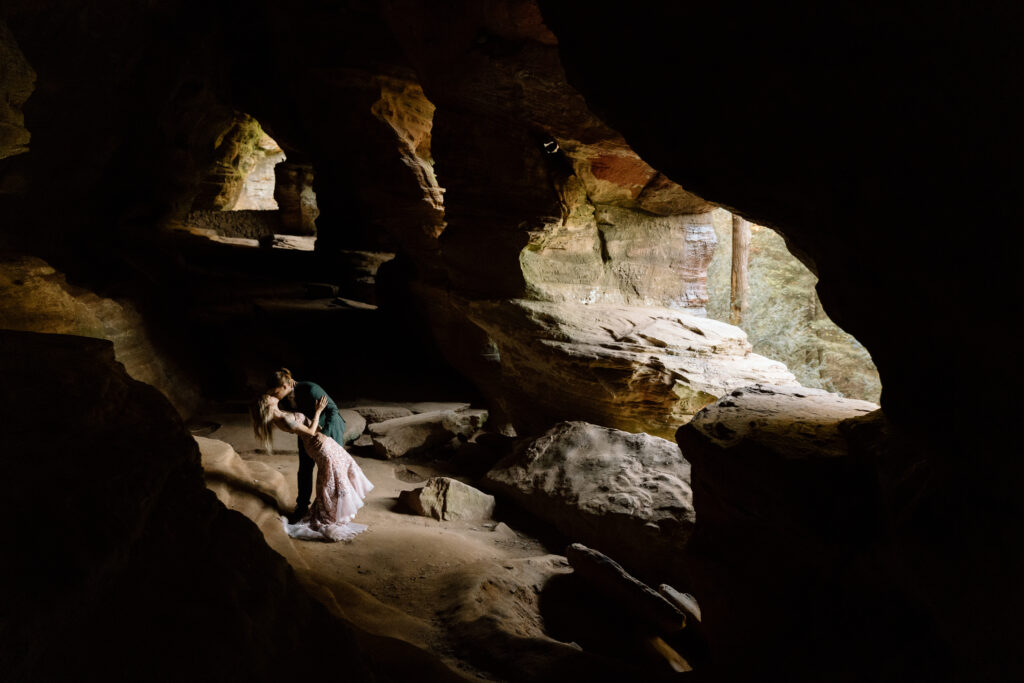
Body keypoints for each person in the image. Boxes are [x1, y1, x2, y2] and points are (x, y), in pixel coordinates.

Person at [251, 390, 373, 542]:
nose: (271, 395)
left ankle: (333, 513)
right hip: (319, 446)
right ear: (267, 405)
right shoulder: (284, 418)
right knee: (333, 478)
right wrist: (318, 411)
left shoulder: (281, 416)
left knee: (337, 473)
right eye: (268, 397)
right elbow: (310, 431)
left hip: (320, 444)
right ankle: (329, 516)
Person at [264, 368, 346, 522]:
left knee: (334, 471)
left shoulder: (310, 389)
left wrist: (325, 434)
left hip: (329, 428)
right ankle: (302, 507)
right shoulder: (285, 396)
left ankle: (337, 510)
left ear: (285, 387)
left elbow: (333, 411)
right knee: (305, 469)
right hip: (307, 432)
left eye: (275, 393)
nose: (273, 396)